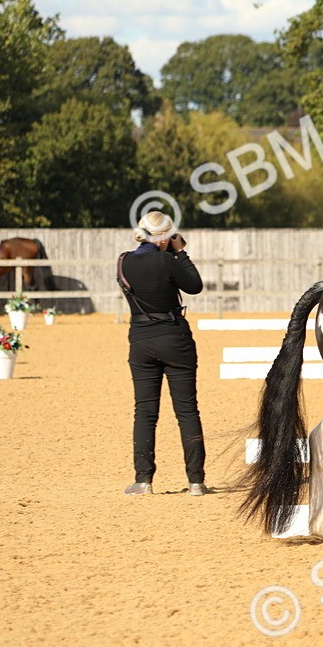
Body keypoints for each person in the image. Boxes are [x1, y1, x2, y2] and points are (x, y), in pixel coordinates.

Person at [118, 211, 207, 496]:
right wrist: (181, 252)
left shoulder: (124, 261)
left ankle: (143, 480)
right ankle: (196, 481)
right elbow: (194, 286)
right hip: (174, 338)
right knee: (186, 410)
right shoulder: (169, 259)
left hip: (140, 340)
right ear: (166, 237)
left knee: (144, 412)